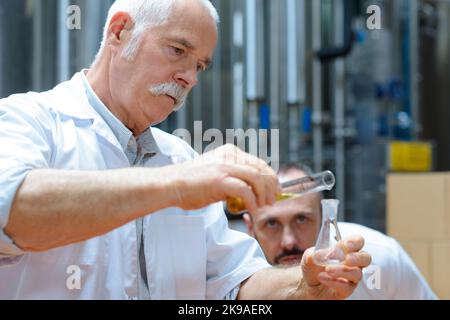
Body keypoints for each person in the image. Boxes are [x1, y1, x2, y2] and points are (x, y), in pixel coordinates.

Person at [0, 0, 370, 300]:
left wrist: (302, 287)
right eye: (178, 50)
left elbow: (233, 286)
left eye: (199, 66)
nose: (189, 78)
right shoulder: (27, 120)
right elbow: (11, 212)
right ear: (119, 31)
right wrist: (174, 185)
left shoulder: (180, 157)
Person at [243, 163, 437, 300]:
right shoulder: (230, 282)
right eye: (271, 224)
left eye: (301, 219)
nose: (288, 241)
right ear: (250, 228)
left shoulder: (379, 258)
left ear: (323, 217)